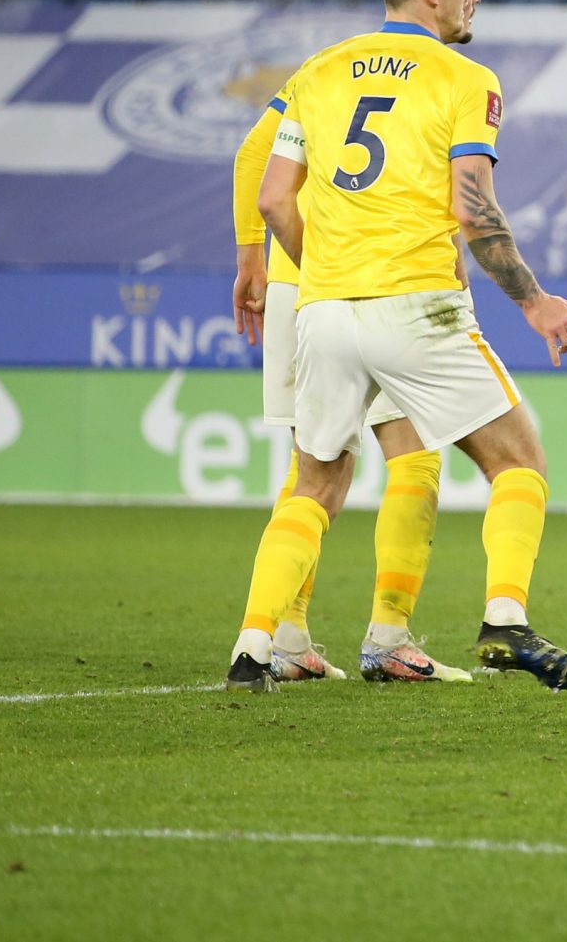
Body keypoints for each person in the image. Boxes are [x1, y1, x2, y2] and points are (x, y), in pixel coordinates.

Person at [230, 0, 567, 693]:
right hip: (418, 306)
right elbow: (475, 208)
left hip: (324, 310)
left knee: (314, 485)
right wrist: (533, 299)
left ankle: (254, 646)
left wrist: (322, 265)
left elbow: (271, 195)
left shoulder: (320, 71)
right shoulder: (465, 78)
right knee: (518, 460)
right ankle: (504, 618)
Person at [232, 59, 465, 682]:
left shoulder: (323, 73)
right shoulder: (438, 76)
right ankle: (389, 636)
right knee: (415, 455)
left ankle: (283, 639)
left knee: (307, 470)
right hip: (376, 282)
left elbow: (253, 155)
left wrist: (249, 254)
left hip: (296, 281)